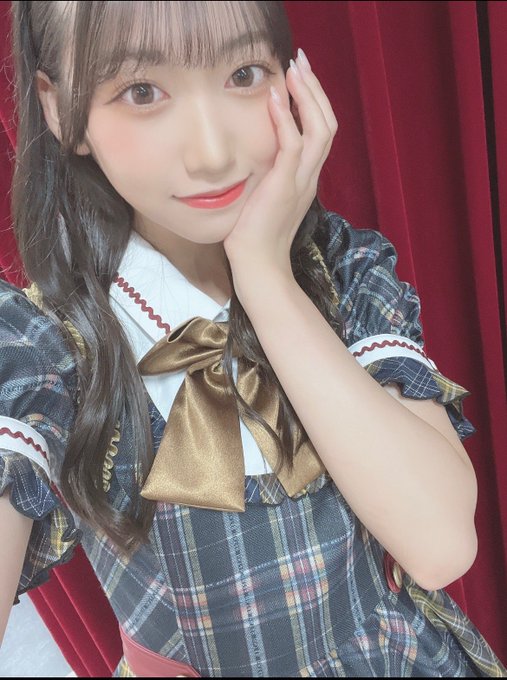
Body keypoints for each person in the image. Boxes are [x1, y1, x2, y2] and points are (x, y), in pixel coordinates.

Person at [0, 1, 505, 676]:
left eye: (243, 73)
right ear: (60, 110)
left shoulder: (340, 271)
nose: (212, 153)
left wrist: (265, 278)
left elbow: (440, 546)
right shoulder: (40, 347)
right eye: (141, 91)